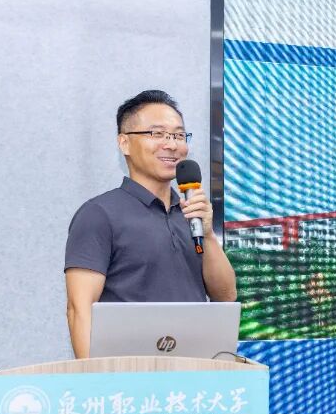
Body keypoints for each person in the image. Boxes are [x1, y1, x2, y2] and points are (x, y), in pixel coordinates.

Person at [64, 90, 237, 358]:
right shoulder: (99, 214)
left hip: (193, 368)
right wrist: (94, 377)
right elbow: (79, 309)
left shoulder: (192, 214)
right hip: (128, 372)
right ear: (124, 143)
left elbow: (225, 297)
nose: (172, 145)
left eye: (179, 135)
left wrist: (208, 235)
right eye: (157, 134)